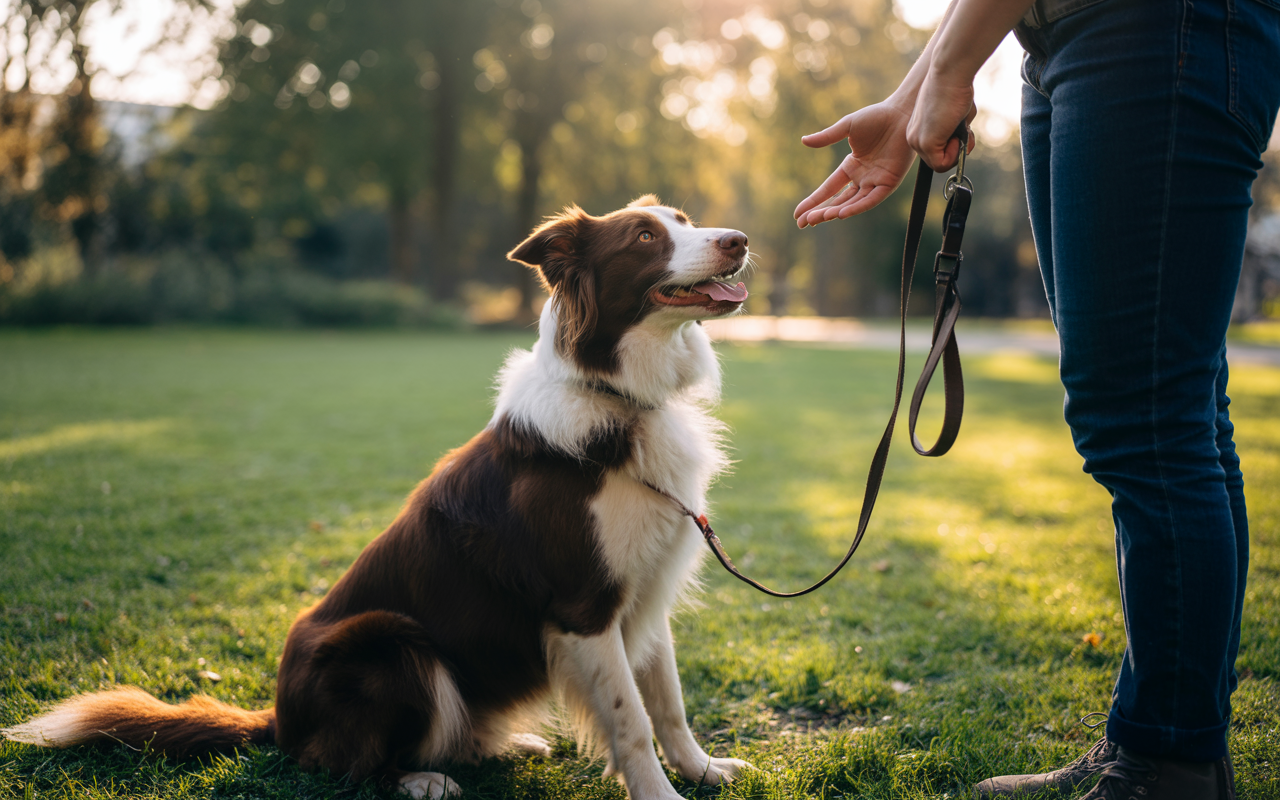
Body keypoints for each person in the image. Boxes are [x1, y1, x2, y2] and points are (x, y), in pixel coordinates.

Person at [794, 0, 1280, 797]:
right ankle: (1158, 731)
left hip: (1157, 29)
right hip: (1064, 36)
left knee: (1145, 415)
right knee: (1167, 409)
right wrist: (914, 94)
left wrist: (948, 72)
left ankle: (1172, 760)